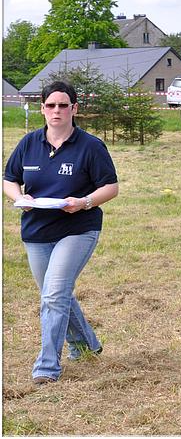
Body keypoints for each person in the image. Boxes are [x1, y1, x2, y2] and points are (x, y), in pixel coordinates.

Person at [3, 80, 119, 385]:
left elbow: (111, 187)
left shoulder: (91, 146)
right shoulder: (28, 144)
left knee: (53, 295)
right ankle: (86, 345)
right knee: (55, 294)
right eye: (51, 105)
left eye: (63, 105)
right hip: (36, 231)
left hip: (78, 228)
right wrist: (19, 198)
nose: (57, 110)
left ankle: (47, 366)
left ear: (74, 109)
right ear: (42, 109)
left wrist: (84, 202)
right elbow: (9, 179)